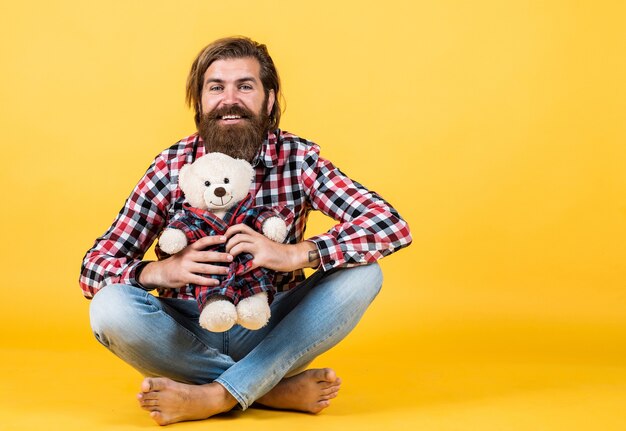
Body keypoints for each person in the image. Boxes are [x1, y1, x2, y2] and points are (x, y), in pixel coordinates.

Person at [80, 36, 412, 426]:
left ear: (269, 99)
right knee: (108, 308)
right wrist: (158, 272)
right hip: (187, 328)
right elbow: (93, 268)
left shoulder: (299, 158)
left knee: (365, 273)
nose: (229, 99)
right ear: (200, 101)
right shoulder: (170, 166)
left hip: (271, 321)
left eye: (245, 86)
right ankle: (269, 387)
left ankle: (216, 395)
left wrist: (296, 252)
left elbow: (390, 224)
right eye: (216, 87)